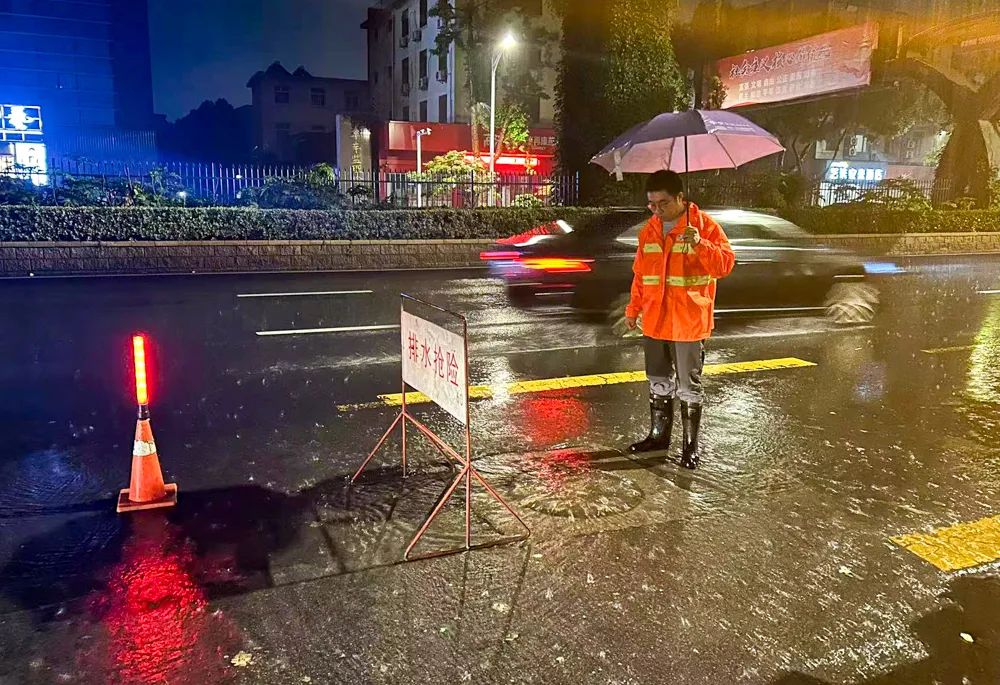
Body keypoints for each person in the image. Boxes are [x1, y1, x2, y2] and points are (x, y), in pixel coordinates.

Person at [625, 170, 735, 469]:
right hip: (656, 321)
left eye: (662, 203)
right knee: (658, 381)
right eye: (651, 204)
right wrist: (633, 310)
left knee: (689, 386)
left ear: (680, 199)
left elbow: (725, 265)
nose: (657, 210)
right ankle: (658, 438)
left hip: (688, 321)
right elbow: (641, 275)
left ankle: (689, 448)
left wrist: (700, 243)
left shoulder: (704, 227)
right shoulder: (649, 230)